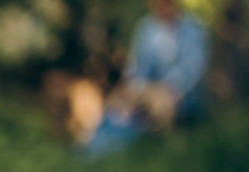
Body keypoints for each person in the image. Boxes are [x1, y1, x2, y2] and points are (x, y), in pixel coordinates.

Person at [78, 0, 211, 158]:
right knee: (118, 105)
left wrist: (170, 88)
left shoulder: (193, 29)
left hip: (183, 94)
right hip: (151, 91)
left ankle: (169, 153)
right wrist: (133, 88)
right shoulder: (147, 29)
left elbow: (193, 70)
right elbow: (139, 68)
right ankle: (95, 146)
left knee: (160, 104)